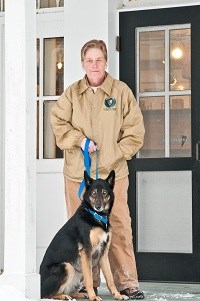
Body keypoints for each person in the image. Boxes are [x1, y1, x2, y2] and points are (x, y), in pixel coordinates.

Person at [50, 39, 145, 300]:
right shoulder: (71, 94)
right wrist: (79, 140)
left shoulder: (121, 92)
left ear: (106, 62)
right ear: (82, 63)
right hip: (78, 174)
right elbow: (57, 122)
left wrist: (114, 154)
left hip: (113, 174)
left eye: (99, 60)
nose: (94, 65)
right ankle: (85, 284)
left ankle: (127, 283)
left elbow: (135, 132)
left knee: (119, 225)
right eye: (89, 60)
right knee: (80, 232)